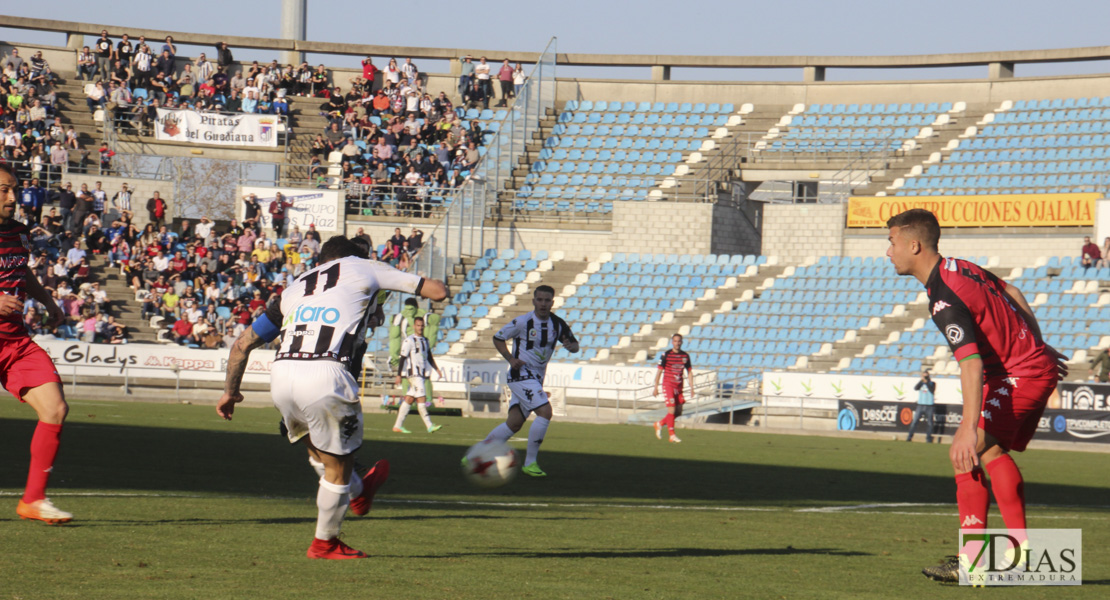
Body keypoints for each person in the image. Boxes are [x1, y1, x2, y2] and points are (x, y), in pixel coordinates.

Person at [216, 235, 448, 560]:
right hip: (325, 372)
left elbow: (241, 344)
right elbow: (436, 291)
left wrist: (230, 392)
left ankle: (359, 491)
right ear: (356, 256)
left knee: (322, 454)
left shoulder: (295, 287)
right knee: (339, 466)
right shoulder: (364, 267)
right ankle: (325, 542)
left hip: (282, 375)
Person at [885, 208, 1068, 584]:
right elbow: (1013, 292)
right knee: (990, 452)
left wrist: (967, 427)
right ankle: (1020, 555)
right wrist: (1039, 344)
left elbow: (971, 366)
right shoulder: (959, 266)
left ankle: (973, 561)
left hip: (1020, 375)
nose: (888, 252)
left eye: (892, 242)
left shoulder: (943, 298)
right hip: (1025, 369)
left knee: (965, 452)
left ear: (914, 245)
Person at [0, 164, 73, 524]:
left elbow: (22, 272)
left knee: (55, 409)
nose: (12, 197)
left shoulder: (19, 232)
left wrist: (48, 301)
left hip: (14, 341)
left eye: (14, 189)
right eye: (3, 190)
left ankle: (33, 500)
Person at [478, 285, 578, 477]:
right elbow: (498, 338)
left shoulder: (557, 324)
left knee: (514, 423)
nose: (543, 304)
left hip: (536, 379)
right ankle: (530, 463)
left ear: (552, 302)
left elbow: (575, 346)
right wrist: (510, 358)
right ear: (533, 301)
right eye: (539, 300)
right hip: (520, 375)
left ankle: (478, 454)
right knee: (545, 411)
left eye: (547, 300)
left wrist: (570, 346)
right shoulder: (523, 322)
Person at [392, 316, 444, 434]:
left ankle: (397, 426)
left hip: (420, 374)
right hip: (414, 375)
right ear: (414, 326)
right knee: (422, 398)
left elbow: (429, 357)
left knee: (409, 399)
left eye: (422, 326)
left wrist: (437, 369)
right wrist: (399, 374)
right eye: (418, 325)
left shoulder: (425, 341)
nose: (420, 328)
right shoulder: (409, 340)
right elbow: (403, 358)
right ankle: (429, 425)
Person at [652, 333, 692, 443]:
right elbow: (659, 371)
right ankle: (672, 434)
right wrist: (656, 387)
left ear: (682, 342)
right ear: (672, 342)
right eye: (675, 341)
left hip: (679, 387)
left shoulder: (685, 356)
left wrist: (692, 387)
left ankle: (659, 424)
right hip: (668, 385)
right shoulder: (666, 355)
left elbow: (689, 372)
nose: (677, 343)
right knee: (672, 409)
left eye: (679, 341)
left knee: (678, 412)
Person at [906, 370, 937, 443]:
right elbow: (915, 388)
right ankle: (909, 437)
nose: (925, 377)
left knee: (930, 423)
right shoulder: (921, 383)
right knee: (915, 421)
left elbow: (932, 390)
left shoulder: (932, 383)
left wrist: (927, 382)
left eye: (926, 375)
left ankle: (928, 438)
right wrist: (921, 381)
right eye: (924, 375)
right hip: (920, 405)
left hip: (929, 405)